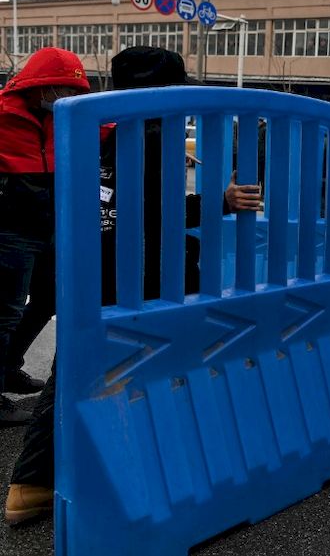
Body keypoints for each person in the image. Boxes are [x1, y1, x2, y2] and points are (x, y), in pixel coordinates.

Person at [5, 46, 262, 526]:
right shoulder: (154, 135)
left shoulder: (98, 134)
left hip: (94, 272)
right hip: (147, 277)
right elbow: (160, 212)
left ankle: (30, 485)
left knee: (77, 369)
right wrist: (221, 202)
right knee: (165, 366)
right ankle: (159, 480)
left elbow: (120, 205)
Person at [0, 47, 91, 428]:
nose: (66, 98)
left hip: (50, 227)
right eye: (60, 89)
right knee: (5, 311)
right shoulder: (3, 117)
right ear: (38, 87)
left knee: (48, 300)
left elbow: (108, 127)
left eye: (73, 90)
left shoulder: (67, 118)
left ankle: (8, 368)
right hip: (10, 231)